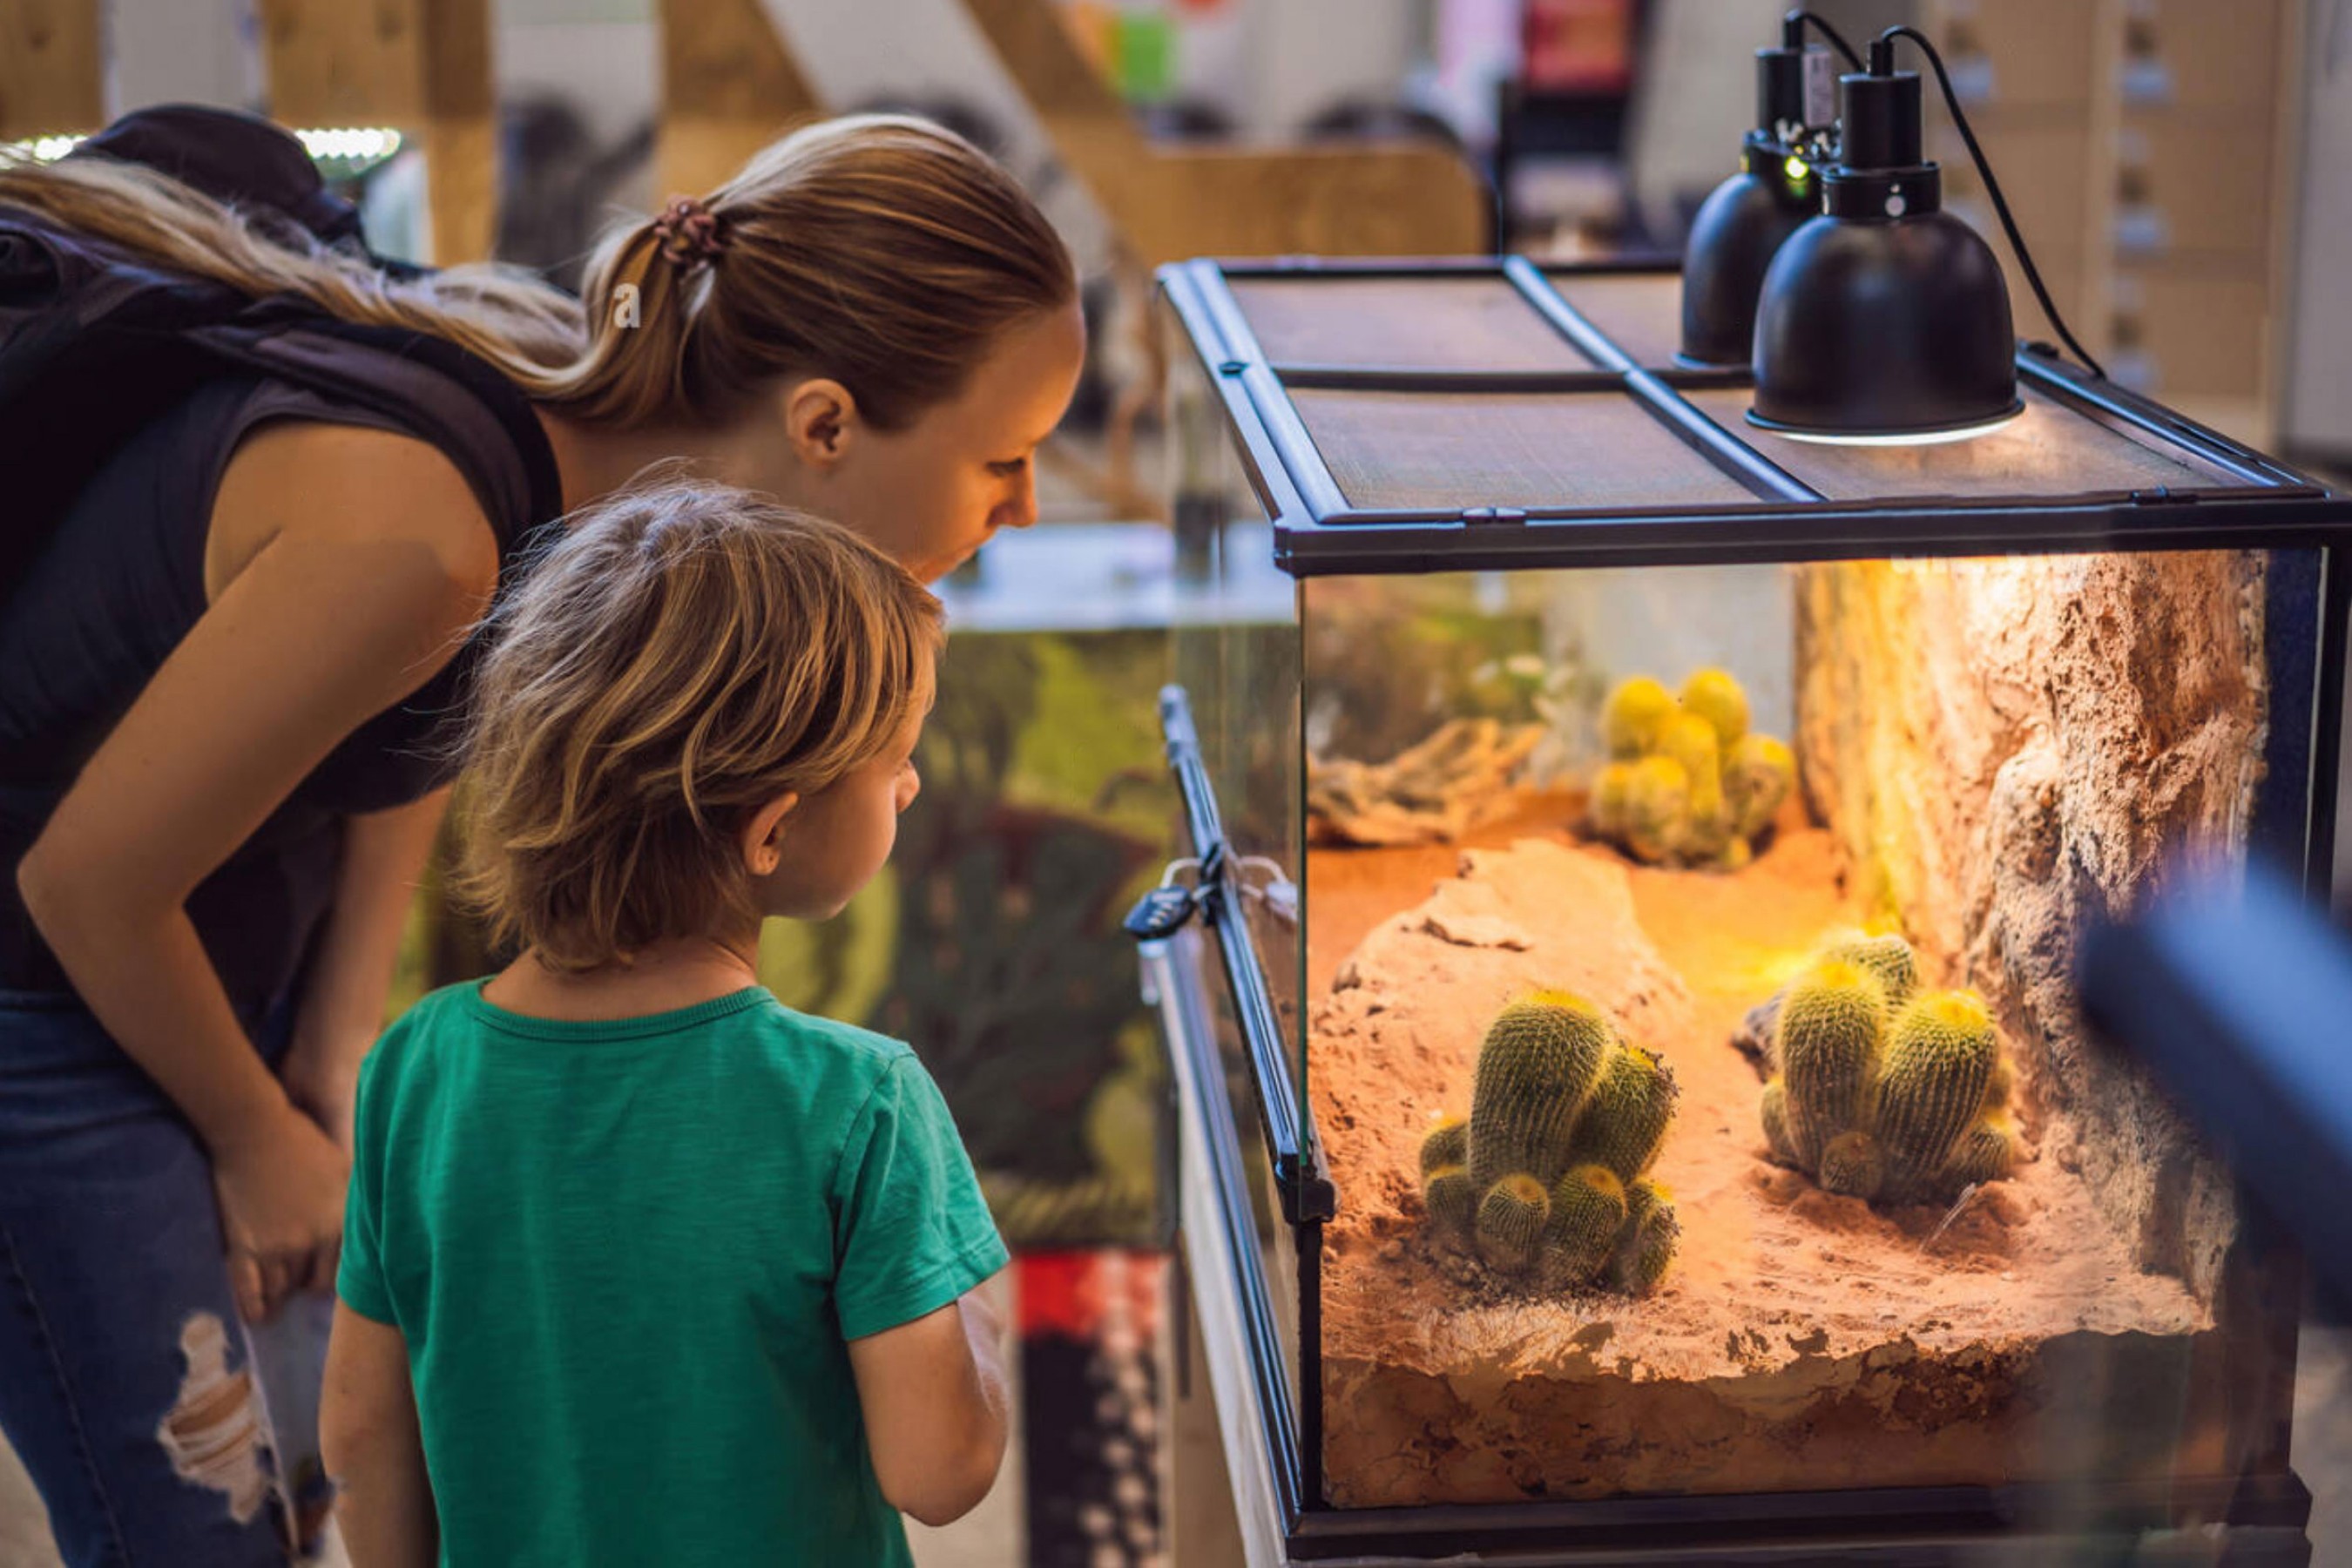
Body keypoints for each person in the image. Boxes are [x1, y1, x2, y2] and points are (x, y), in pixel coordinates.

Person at [0, 114, 1081, 1566]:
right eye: (1004, 458)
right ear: (823, 423)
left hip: (206, 938)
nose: (1025, 506)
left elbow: (397, 735)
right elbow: (82, 881)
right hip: (52, 980)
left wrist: (331, 1054)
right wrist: (256, 1135)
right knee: (195, 1527)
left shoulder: (559, 460)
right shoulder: (425, 528)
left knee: (308, 1468)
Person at [318, 479, 1008, 1566]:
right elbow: (938, 1472)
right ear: (772, 830)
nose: (912, 786)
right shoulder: (857, 1101)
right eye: (895, 758)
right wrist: (978, 1336)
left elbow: (360, 1435)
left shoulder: (417, 1066)